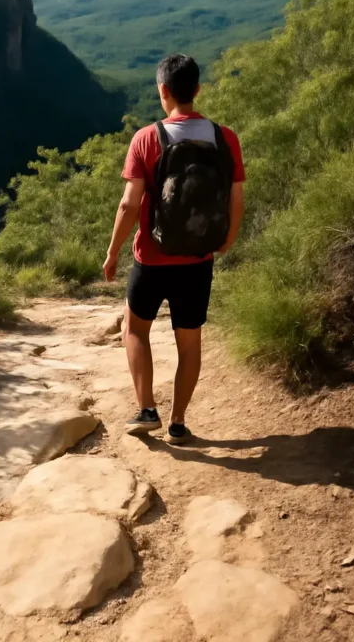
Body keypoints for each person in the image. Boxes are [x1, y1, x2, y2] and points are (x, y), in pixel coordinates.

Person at [103, 54, 245, 443]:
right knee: (190, 342)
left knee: (134, 329)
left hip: (151, 257)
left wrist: (113, 252)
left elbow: (129, 204)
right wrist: (227, 239)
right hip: (198, 259)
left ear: (163, 90)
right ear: (196, 89)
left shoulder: (147, 138)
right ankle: (178, 422)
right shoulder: (224, 137)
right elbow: (236, 199)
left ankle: (146, 409)